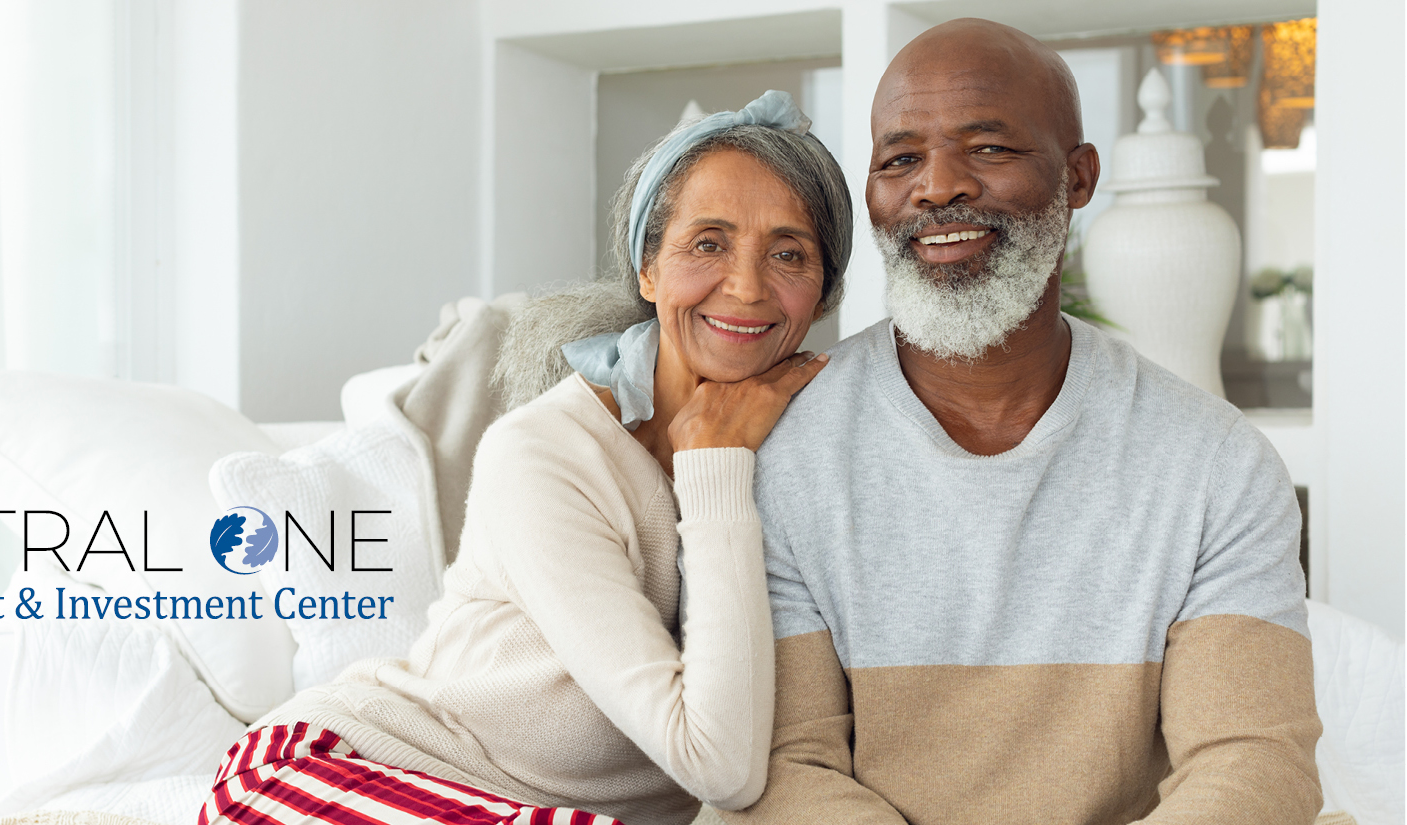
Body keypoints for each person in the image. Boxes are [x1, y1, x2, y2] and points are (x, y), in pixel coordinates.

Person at [199, 90, 853, 825]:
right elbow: (719, 765)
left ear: (823, 294)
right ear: (647, 270)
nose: (746, 286)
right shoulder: (546, 452)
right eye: (708, 243)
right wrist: (712, 465)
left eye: (788, 253)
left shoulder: (818, 456)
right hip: (331, 774)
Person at [727, 19, 1322, 825]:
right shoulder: (783, 454)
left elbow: (1251, 762)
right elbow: (786, 765)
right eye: (900, 159)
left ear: (1078, 177)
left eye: (988, 148)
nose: (937, 187)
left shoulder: (1216, 463)